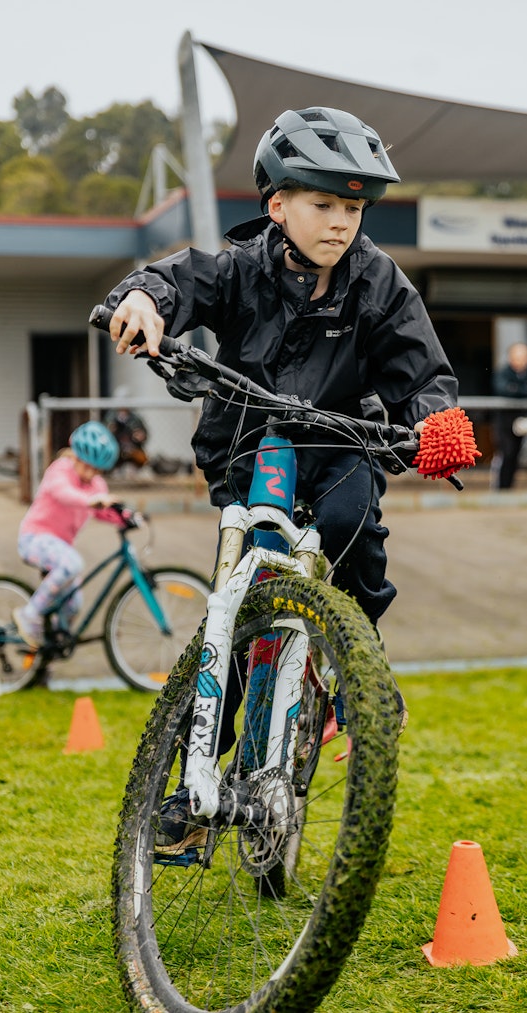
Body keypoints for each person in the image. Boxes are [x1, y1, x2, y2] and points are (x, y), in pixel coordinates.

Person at [102, 106, 459, 847]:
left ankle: (359, 672)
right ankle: (192, 783)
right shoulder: (239, 268)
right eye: (322, 203)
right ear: (276, 205)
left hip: (340, 446)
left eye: (353, 207)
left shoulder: (379, 282)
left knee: (352, 530)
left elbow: (420, 371)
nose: (340, 222)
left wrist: (431, 421)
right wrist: (142, 298)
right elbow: (176, 282)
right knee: (233, 609)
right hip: (249, 446)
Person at [13, 421, 121, 649]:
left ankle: (49, 650)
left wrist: (126, 516)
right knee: (72, 564)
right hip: (35, 538)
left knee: (73, 603)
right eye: (86, 466)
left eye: (96, 470)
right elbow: (63, 493)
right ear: (75, 456)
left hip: (60, 547)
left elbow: (103, 511)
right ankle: (29, 615)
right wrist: (90, 500)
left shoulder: (96, 484)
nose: (90, 473)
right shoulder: (60, 469)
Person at [490, 342, 527, 489]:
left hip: (522, 420)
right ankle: (501, 488)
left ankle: (508, 487)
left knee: (516, 455)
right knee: (506, 453)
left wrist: (516, 389)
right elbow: (501, 388)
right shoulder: (503, 373)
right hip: (504, 421)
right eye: (516, 356)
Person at [103, 406, 149, 470]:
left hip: (133, 448)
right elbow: (104, 435)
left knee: (141, 457)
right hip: (117, 447)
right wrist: (112, 430)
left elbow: (144, 435)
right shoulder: (111, 417)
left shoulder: (135, 419)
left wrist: (140, 436)